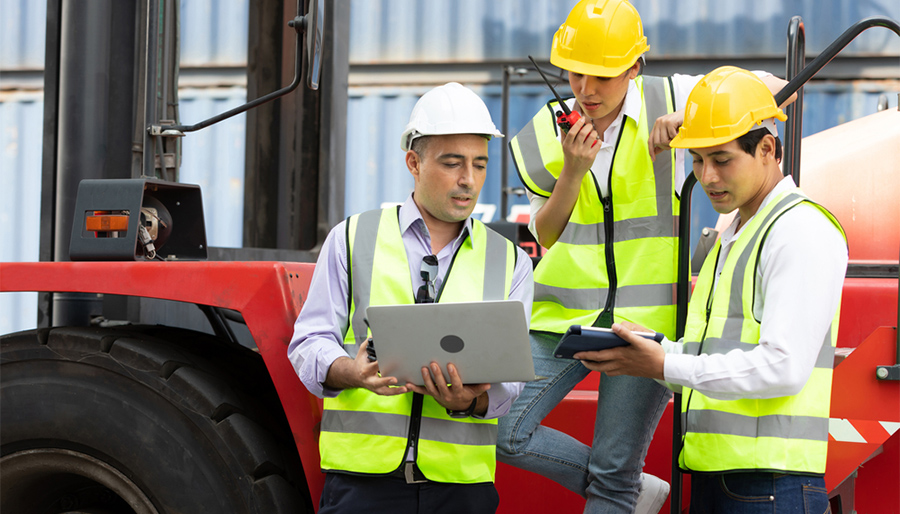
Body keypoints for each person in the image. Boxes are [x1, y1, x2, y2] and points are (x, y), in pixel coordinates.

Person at [497, 1, 793, 512]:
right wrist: (573, 169)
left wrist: (691, 117)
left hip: (646, 323)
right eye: (576, 72)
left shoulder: (673, 96)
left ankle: (619, 488)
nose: (586, 89)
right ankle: (633, 490)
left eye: (603, 76)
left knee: (614, 474)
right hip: (560, 316)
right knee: (500, 428)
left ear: (634, 68)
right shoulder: (546, 129)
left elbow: (773, 86)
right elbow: (545, 233)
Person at [576, 66, 847, 513]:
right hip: (719, 480)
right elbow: (717, 349)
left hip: (770, 488)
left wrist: (665, 363)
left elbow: (783, 367)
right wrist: (652, 351)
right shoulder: (737, 233)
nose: (707, 176)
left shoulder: (799, 229)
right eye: (698, 160)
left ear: (767, 149)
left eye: (721, 159)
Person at [288, 82, 534, 514]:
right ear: (413, 163)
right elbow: (309, 343)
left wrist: (471, 402)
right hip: (362, 485)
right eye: (452, 163)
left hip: (461, 489)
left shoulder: (511, 261)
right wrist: (351, 371)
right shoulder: (351, 238)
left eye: (480, 164)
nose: (468, 180)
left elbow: (510, 382)